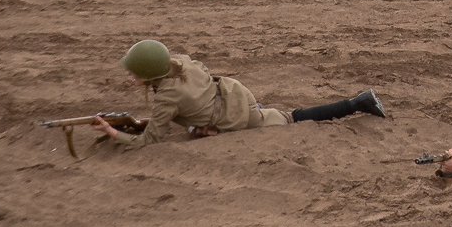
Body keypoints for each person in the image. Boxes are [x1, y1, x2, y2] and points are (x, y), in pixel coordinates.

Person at [91, 39, 385, 150]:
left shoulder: (167, 96)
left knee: (294, 118)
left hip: (239, 115)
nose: (130, 76)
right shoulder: (179, 63)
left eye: (134, 72)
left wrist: (113, 133)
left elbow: (151, 139)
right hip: (234, 92)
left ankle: (357, 103)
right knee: (283, 115)